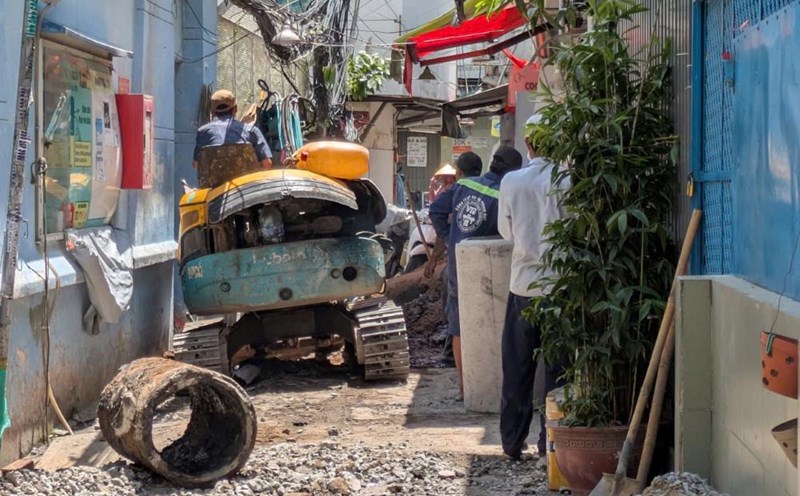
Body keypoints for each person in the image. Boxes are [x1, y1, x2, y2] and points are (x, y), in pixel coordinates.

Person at [498, 113, 570, 460]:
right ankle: (551, 444)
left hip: (523, 286)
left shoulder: (511, 181)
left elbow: (506, 232)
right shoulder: (570, 181)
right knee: (559, 371)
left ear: (528, 143)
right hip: (561, 289)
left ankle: (513, 443)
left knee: (517, 368)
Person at [430, 148, 523, 398]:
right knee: (496, 323)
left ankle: (464, 387)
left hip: (459, 265)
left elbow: (436, 210)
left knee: (459, 325)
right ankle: (494, 384)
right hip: (494, 268)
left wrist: (450, 238)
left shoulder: (463, 186)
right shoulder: (505, 193)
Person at [193, 89, 273, 170]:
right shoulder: (251, 130)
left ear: (212, 112)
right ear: (235, 109)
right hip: (245, 178)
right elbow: (267, 164)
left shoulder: (202, 132)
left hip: (213, 179)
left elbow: (196, 164)